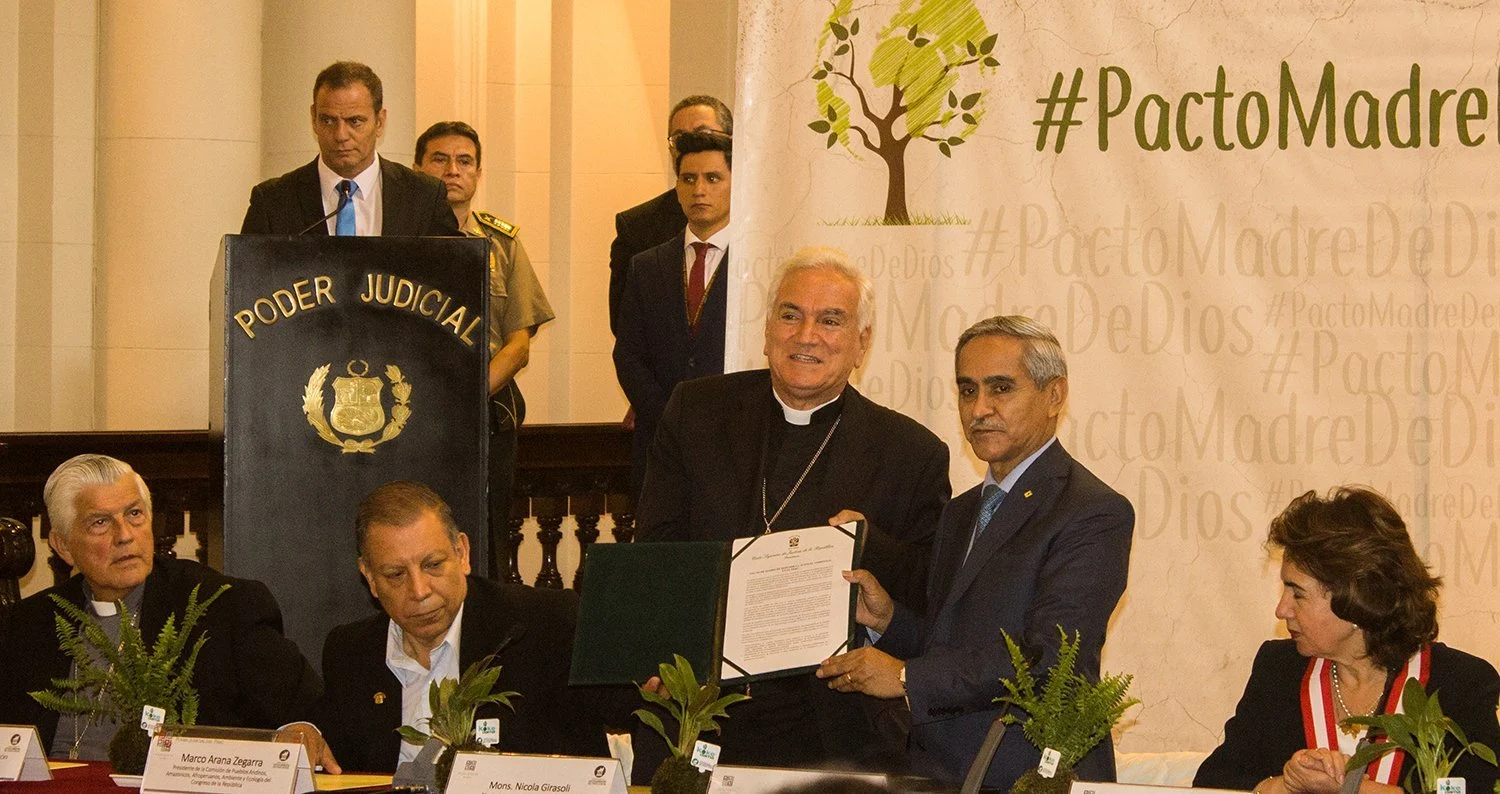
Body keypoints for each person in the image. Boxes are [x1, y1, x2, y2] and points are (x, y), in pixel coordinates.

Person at [636, 246, 950, 771]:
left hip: (830, 721)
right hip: (700, 704)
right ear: (766, 330)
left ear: (862, 343)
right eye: (791, 315)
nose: (807, 336)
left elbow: (930, 592)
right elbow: (655, 551)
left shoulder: (911, 453)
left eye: (831, 320)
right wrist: (660, 657)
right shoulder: (697, 411)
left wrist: (869, 543)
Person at [816, 315, 1134, 790]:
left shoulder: (1093, 511)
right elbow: (953, 641)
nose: (980, 408)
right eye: (968, 390)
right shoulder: (961, 512)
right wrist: (889, 621)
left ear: (1055, 395)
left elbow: (1049, 659)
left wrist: (906, 678)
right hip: (939, 773)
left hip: (1027, 776)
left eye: (1001, 388)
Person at [0, 454, 321, 760]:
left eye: (134, 514)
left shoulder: (221, 605)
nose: (125, 536)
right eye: (100, 522)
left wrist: (302, 730)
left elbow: (305, 711)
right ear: (63, 546)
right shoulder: (27, 625)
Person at [1193, 487, 1500, 794]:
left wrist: (1354, 789)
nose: (1281, 609)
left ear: (1358, 600)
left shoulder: (1461, 683)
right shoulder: (1279, 669)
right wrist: (1285, 785)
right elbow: (1213, 781)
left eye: (1297, 593)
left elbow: (1478, 789)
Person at [298, 481, 605, 773]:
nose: (419, 591)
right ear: (370, 578)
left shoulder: (542, 625)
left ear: (462, 553)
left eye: (432, 565)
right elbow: (329, 746)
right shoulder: (350, 652)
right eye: (396, 575)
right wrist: (304, 732)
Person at [413, 120, 555, 573]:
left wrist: (468, 395)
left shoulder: (502, 243)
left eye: (464, 161)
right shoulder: (398, 239)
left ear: (478, 172)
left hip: (489, 416)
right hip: (412, 415)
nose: (452, 170)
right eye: (439, 159)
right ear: (417, 169)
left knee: (485, 538)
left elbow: (519, 342)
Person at [613, 130, 732, 495]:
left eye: (713, 178)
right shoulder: (647, 265)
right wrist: (669, 417)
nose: (700, 190)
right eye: (688, 179)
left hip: (733, 442)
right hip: (659, 444)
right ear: (677, 187)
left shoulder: (758, 263)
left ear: (735, 184)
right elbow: (628, 354)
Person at [240, 61, 458, 236]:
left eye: (355, 121)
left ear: (380, 122)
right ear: (313, 119)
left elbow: (451, 274)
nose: (340, 135)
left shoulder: (424, 197)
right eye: (328, 120)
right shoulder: (273, 201)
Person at [608, 95, 732, 335]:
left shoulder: (760, 224)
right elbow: (625, 328)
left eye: (703, 133)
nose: (689, 143)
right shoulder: (638, 227)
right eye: (679, 138)